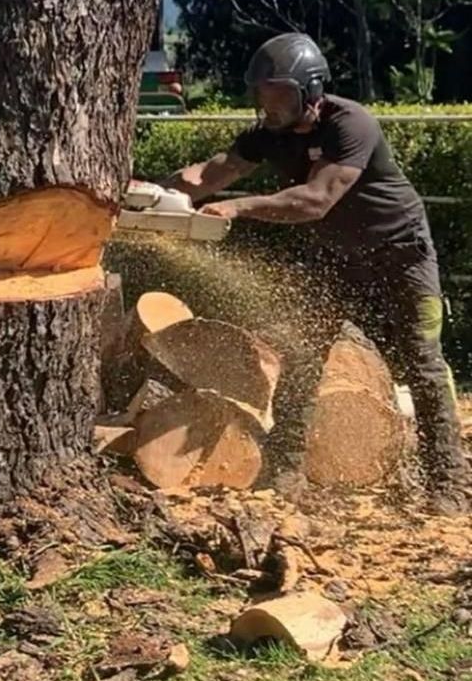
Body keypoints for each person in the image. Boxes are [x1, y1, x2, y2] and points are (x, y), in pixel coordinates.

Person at [165, 32, 469, 513]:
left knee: (422, 363)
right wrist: (157, 196)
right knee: (301, 354)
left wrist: (238, 208)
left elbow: (315, 200)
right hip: (338, 258)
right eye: (262, 94)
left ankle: (447, 483)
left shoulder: (351, 124)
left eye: (280, 93)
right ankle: (284, 472)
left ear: (311, 91)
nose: (270, 105)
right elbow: (211, 173)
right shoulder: (268, 133)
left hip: (401, 255)